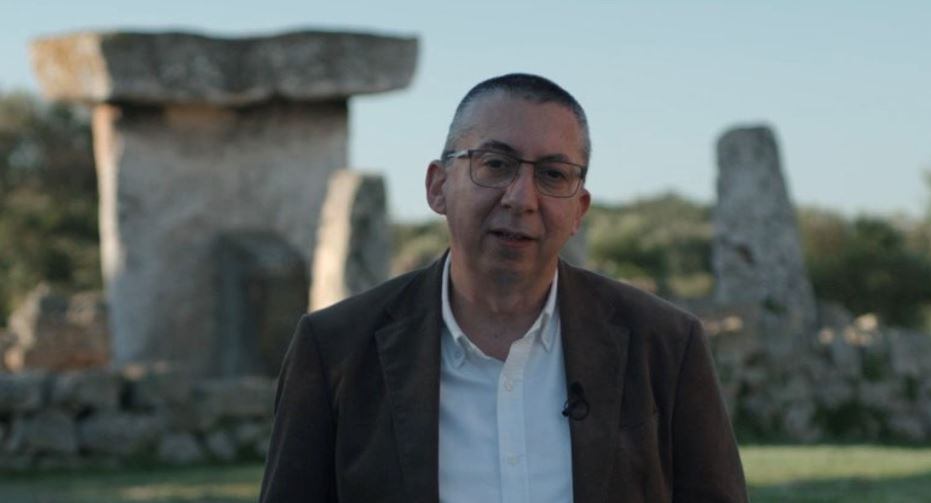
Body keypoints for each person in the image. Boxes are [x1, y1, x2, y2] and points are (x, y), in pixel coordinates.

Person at [259, 73, 748, 502]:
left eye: (553, 175)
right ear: (437, 186)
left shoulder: (665, 344)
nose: (521, 198)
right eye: (495, 164)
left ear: (579, 210)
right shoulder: (335, 350)